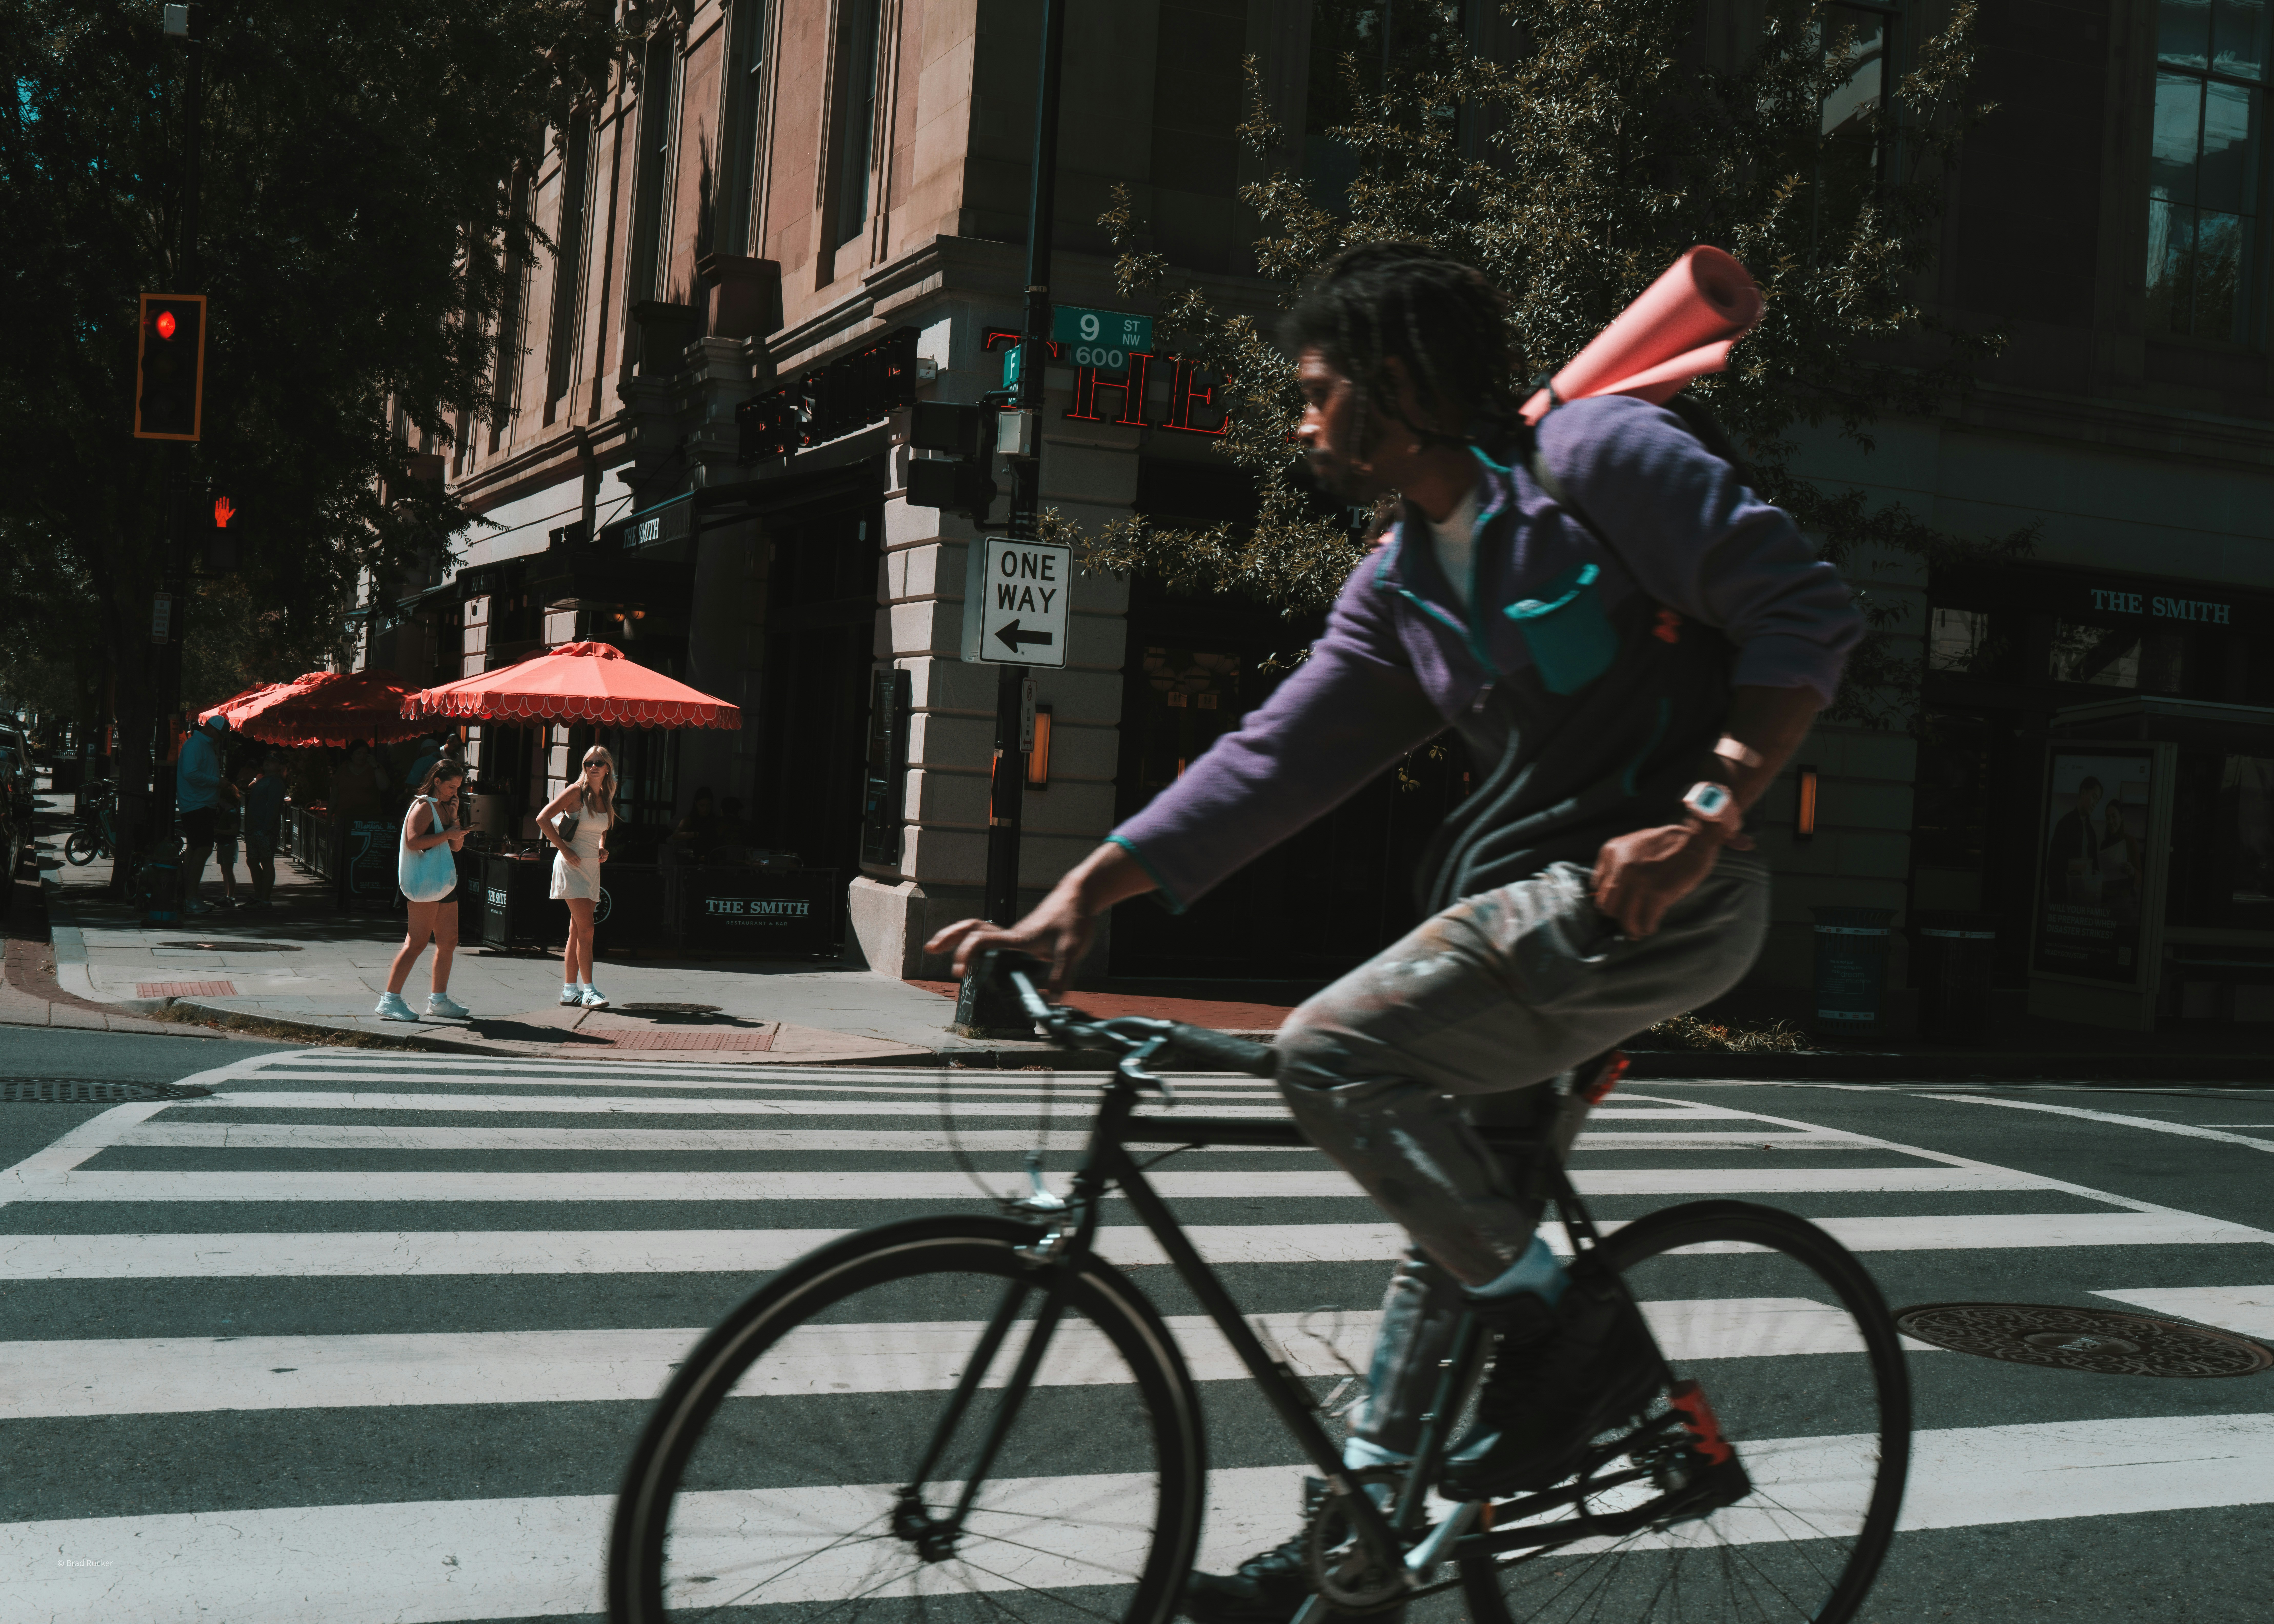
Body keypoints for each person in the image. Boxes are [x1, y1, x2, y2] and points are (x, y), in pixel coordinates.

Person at [927, 244, 1862, 1624]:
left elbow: (1807, 609)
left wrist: (1711, 815)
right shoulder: (1406, 579)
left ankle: (1578, 1347)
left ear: (1400, 381)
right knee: (1451, 1220)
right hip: (1530, 907)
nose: (1301, 422)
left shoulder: (1599, 461)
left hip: (1667, 898)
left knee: (1335, 1053)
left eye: (1316, 390)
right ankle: (1353, 1549)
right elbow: (1272, 760)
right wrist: (1082, 897)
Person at [374, 757, 472, 1021]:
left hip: (441, 881)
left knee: (449, 941)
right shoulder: (424, 806)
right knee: (416, 942)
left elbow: (456, 847)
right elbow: (413, 842)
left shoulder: (444, 807)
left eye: (458, 788)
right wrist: (448, 834)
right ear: (437, 782)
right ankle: (390, 999)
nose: (456, 792)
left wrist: (454, 819)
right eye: (452, 787)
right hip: (426, 883)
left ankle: (438, 1000)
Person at [540, 746, 617, 1007]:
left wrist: (601, 847)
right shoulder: (576, 792)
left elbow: (600, 829)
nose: (593, 767)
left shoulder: (606, 795)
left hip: (591, 866)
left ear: (607, 767)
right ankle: (589, 991)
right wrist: (564, 849)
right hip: (570, 864)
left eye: (598, 763)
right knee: (587, 929)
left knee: (576, 931)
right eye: (588, 763)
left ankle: (569, 991)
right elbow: (543, 818)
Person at [176, 713, 233, 915]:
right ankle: (189, 898)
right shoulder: (196, 746)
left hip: (200, 804)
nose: (220, 739)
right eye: (220, 735)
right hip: (196, 805)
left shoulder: (202, 746)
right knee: (202, 849)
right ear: (211, 730)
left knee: (196, 849)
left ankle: (186, 896)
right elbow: (190, 773)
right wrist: (218, 783)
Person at [242, 750, 289, 907]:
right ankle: (260, 896)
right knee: (253, 861)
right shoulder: (264, 780)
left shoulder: (276, 783)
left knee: (266, 862)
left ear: (280, 766)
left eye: (273, 761)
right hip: (255, 828)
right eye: (267, 760)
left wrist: (267, 828)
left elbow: (274, 807)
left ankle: (264, 899)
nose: (268, 763)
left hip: (263, 829)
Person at [2047, 775, 2103, 906]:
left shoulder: (2092, 833)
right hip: (2065, 899)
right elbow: (2053, 867)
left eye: (2098, 801)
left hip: (2086, 899)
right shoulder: (2064, 825)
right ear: (2083, 793)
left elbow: (2094, 868)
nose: (2096, 804)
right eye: (2094, 797)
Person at [212, 760, 248, 907]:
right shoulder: (228, 812)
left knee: (228, 870)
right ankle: (226, 895)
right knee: (224, 871)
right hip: (223, 843)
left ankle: (231, 896)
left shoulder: (231, 813)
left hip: (228, 844)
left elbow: (234, 831)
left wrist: (217, 831)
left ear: (223, 799)